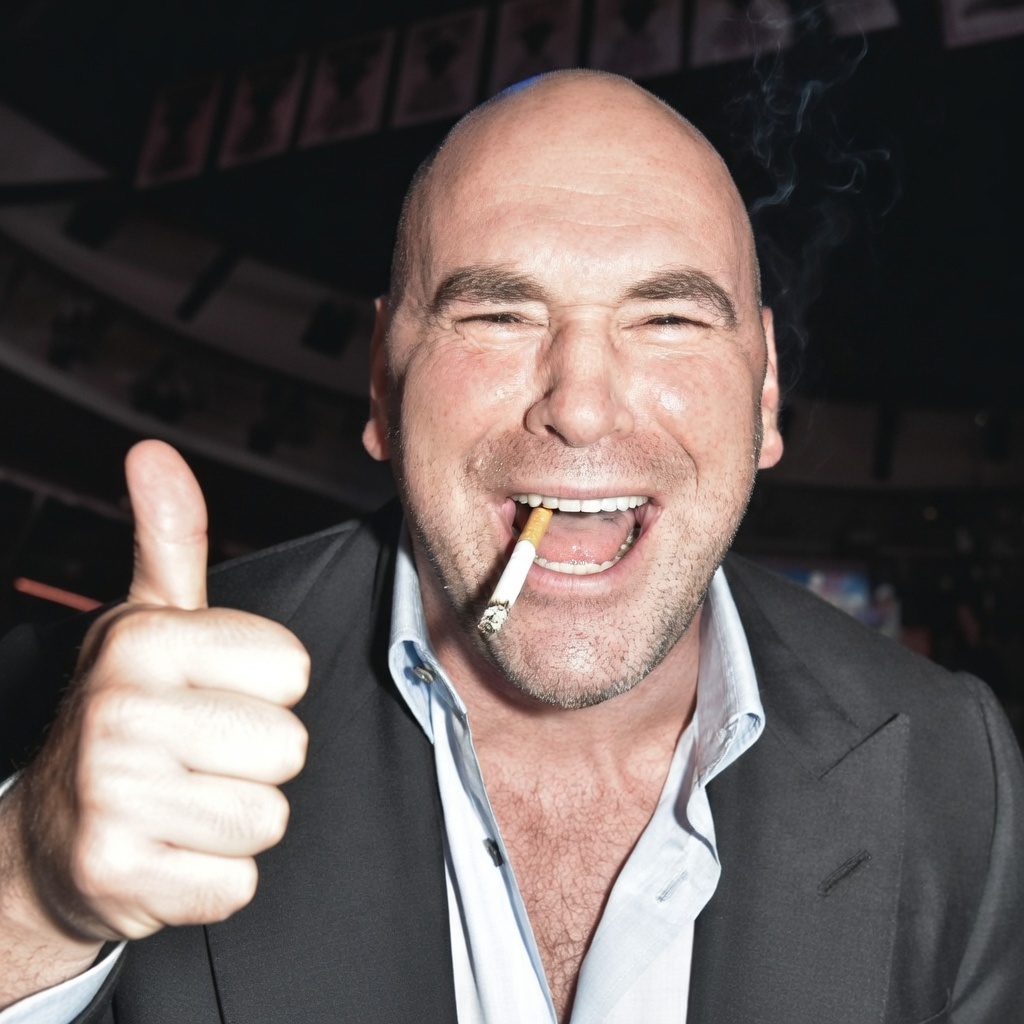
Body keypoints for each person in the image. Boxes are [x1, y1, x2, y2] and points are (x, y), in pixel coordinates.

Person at [0, 70, 1021, 1024]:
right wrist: (32, 893)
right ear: (383, 384)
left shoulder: (952, 762)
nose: (580, 406)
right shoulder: (91, 708)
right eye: (496, 313)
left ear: (762, 397)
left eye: (668, 317)